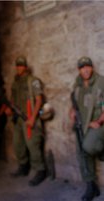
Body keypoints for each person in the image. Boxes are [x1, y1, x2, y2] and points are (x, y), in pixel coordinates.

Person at [70, 56, 104, 201]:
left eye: (88, 66)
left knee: (89, 146)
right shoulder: (76, 86)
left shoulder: (101, 82)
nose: (86, 70)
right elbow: (74, 104)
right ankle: (91, 186)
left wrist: (98, 120)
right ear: (79, 70)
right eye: (82, 67)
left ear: (92, 67)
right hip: (82, 125)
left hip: (99, 123)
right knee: (81, 153)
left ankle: (102, 149)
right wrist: (71, 111)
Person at [9, 56, 47, 186]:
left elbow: (39, 100)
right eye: (17, 66)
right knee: (17, 143)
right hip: (18, 119)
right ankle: (23, 167)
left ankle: (40, 170)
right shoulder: (16, 82)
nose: (19, 68)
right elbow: (12, 100)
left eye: (21, 66)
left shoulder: (33, 81)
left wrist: (32, 118)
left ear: (25, 67)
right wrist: (10, 111)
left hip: (30, 117)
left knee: (32, 144)